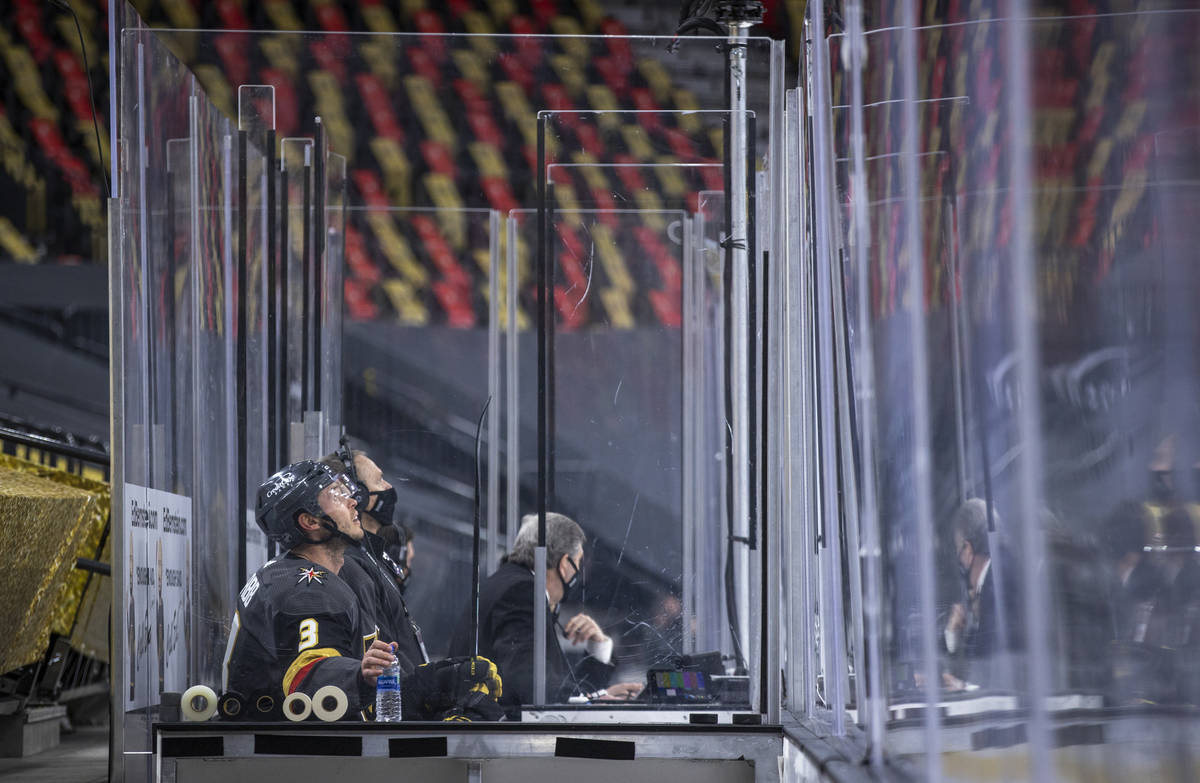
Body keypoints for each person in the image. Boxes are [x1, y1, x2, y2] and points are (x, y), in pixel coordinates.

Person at [222, 459, 396, 719]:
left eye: (344, 490)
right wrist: (360, 675)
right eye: (335, 495)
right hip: (285, 754)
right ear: (310, 521)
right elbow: (308, 671)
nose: (353, 501)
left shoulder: (288, 573)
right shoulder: (307, 588)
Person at [448, 512, 644, 707]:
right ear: (565, 565)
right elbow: (527, 681)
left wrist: (598, 651)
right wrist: (589, 701)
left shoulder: (510, 584)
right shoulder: (521, 592)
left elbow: (544, 687)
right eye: (579, 561)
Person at [321, 445, 428, 675]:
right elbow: (382, 653)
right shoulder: (349, 564)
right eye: (380, 481)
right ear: (358, 496)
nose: (389, 488)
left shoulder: (372, 559)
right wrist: (433, 687)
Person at [943, 499, 1021, 689]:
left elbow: (997, 682)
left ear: (968, 550)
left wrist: (961, 687)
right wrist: (953, 637)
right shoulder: (1005, 572)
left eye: (958, 552)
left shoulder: (996, 589)